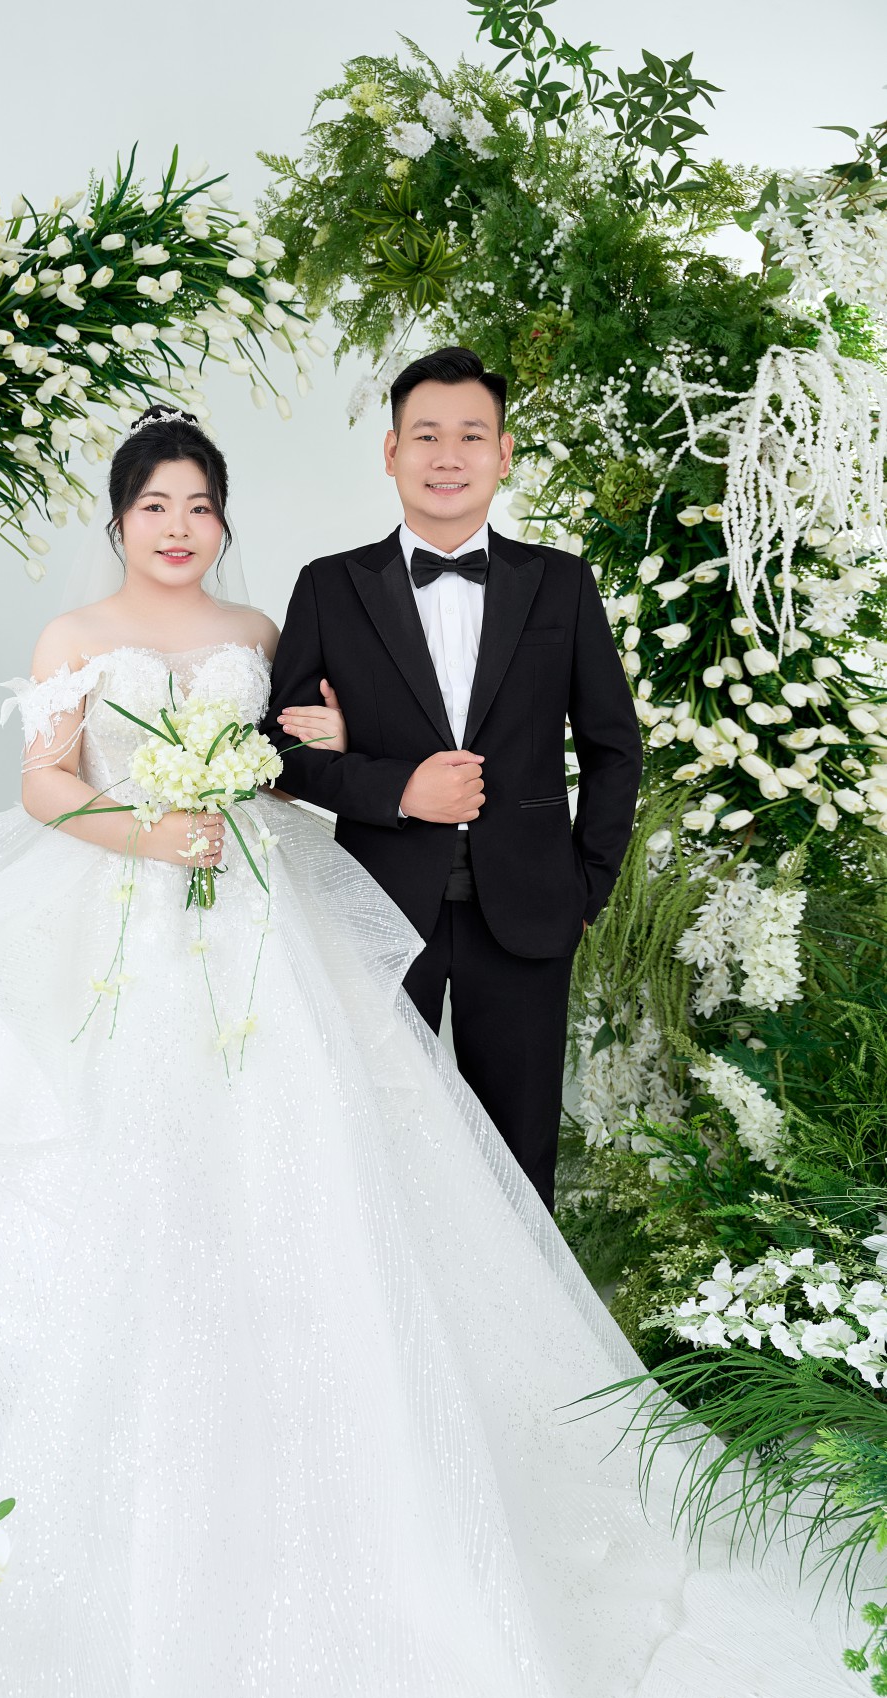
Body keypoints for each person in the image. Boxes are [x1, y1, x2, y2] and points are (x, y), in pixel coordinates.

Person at [0, 407, 882, 1698]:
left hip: (255, 922)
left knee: (322, 1181)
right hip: (115, 916)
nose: (178, 527)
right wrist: (147, 832)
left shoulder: (258, 629)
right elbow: (42, 784)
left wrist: (314, 757)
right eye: (154, 505)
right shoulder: (74, 635)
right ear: (117, 520)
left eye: (199, 504)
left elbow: (293, 758)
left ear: (222, 520)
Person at [269, 346, 643, 1210]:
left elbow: (613, 746)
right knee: (375, 1144)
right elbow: (277, 750)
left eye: (470, 436)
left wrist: (587, 886)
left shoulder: (560, 582)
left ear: (503, 454)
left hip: (530, 910)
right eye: (426, 435)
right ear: (390, 451)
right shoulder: (329, 586)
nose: (447, 456)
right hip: (374, 905)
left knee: (519, 1159)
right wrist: (396, 788)